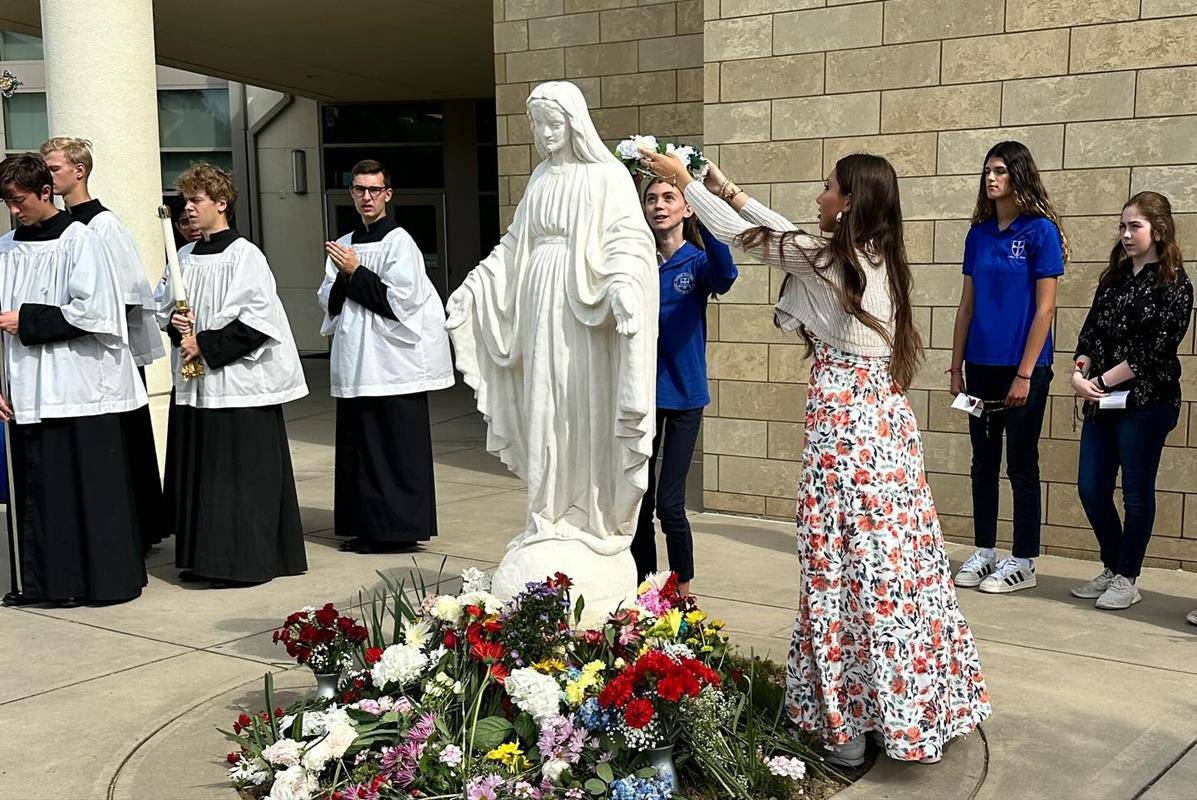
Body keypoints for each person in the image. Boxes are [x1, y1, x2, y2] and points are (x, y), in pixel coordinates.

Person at [638, 147, 990, 766]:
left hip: (845, 434)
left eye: (829, 188)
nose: (820, 196)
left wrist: (683, 181)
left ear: (850, 201)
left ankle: (850, 733)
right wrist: (721, 181)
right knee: (893, 572)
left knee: (840, 574)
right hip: (883, 429)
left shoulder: (834, 257)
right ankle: (908, 711)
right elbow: (779, 231)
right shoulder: (874, 256)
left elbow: (750, 236)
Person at [445, 80, 657, 617]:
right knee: (544, 407)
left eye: (552, 124)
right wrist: (475, 286)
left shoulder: (607, 176)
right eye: (537, 125)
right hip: (537, 306)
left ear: (575, 123)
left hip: (583, 313)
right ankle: (547, 513)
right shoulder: (541, 178)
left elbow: (629, 240)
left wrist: (625, 287)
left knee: (578, 408)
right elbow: (514, 244)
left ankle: (585, 513)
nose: (543, 135)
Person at [0, 154, 148, 607]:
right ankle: (48, 584)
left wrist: (28, 319)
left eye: (19, 200)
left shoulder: (81, 240)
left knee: (87, 491)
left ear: (46, 192)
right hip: (25, 389)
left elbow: (98, 312)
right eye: (6, 201)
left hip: (79, 390)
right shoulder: (6, 247)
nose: (12, 210)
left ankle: (102, 583)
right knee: (39, 491)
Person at [160, 163, 308, 586]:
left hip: (237, 386)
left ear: (221, 203)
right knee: (202, 474)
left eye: (196, 200)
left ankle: (243, 561)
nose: (187, 208)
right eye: (184, 200)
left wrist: (203, 344)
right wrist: (177, 327)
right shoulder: (183, 256)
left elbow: (259, 321)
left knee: (235, 477)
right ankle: (202, 558)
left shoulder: (245, 256)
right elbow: (164, 307)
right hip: (196, 386)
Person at [948, 141, 1067, 594]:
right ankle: (985, 551)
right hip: (979, 367)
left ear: (1018, 175)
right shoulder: (978, 234)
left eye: (999, 170)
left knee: (1021, 463)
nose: (991, 179)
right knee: (983, 462)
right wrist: (956, 367)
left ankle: (1023, 560)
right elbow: (966, 306)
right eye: (987, 171)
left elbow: (1045, 310)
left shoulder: (1040, 232)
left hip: (1024, 370)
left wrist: (1024, 372)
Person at [317, 159, 454, 553]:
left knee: (393, 448)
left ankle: (397, 529)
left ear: (387, 195)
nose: (366, 197)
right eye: (359, 189)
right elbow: (328, 301)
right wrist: (345, 275)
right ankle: (366, 526)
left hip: (392, 364)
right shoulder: (343, 243)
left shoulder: (399, 242)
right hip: (357, 363)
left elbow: (402, 302)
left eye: (374, 190)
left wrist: (356, 272)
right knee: (360, 448)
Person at [41, 136, 168, 554]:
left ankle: (138, 529)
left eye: (55, 168)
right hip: (75, 357)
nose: (49, 175)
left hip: (113, 353)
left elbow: (130, 293)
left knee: (124, 445)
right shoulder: (55, 227)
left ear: (79, 171)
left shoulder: (103, 226)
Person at [1069, 192, 1192, 610]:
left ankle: (1127, 576)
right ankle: (1113, 563)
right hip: (1102, 399)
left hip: (1147, 402)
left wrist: (1101, 380)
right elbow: (1091, 331)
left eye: (1134, 226)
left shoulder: (1175, 284)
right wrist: (1079, 370)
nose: (1125, 234)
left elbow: (1153, 351)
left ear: (1158, 230)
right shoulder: (1115, 277)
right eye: (1122, 226)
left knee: (1136, 492)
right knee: (1091, 487)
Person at [631, 177, 737, 597]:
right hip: (640, 398)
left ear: (687, 209)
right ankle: (645, 589)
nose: (659, 206)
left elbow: (726, 274)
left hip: (683, 397)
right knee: (640, 501)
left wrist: (707, 206)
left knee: (670, 503)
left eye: (669, 198)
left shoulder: (696, 262)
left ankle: (681, 590)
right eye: (651, 199)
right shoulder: (636, 263)